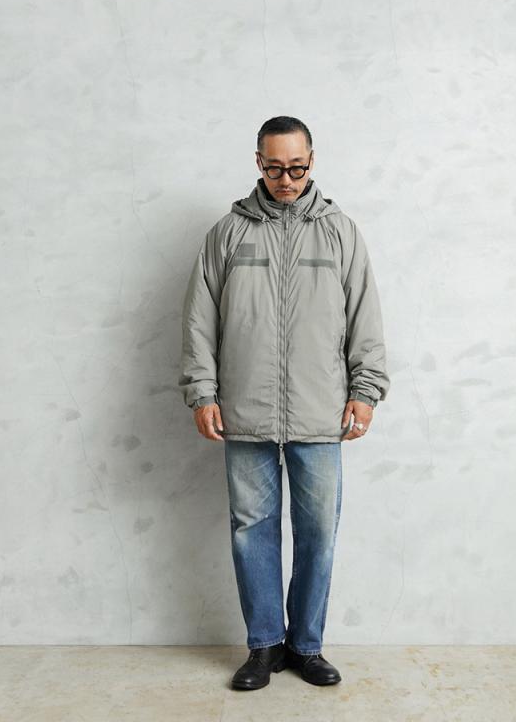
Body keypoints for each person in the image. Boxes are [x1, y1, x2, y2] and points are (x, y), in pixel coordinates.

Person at [179, 115, 390, 690]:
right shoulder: (228, 233)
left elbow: (365, 317)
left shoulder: (340, 232)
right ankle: (264, 645)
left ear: (312, 161)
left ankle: (306, 646)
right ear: (258, 163)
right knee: (252, 530)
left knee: (318, 532)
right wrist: (203, 392)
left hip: (321, 410)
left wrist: (365, 391)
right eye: (274, 169)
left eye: (297, 168)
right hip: (244, 410)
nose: (287, 180)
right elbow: (199, 320)